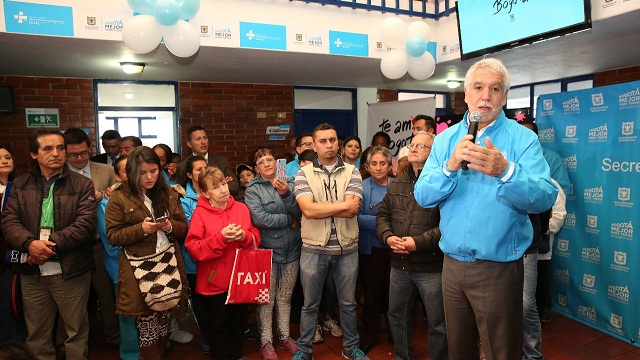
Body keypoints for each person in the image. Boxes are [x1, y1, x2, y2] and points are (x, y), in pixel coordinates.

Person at [414, 58, 557, 360]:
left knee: (500, 352)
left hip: (498, 269)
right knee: (459, 350)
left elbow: (544, 196)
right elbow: (423, 196)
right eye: (478, 87)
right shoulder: (445, 140)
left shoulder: (524, 139)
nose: (486, 96)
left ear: (505, 96)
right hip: (451, 266)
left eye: (495, 89)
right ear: (465, 93)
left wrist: (506, 172)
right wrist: (450, 167)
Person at [1, 129, 96, 360]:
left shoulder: (82, 184)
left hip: (70, 270)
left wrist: (48, 245)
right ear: (34, 154)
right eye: (48, 149)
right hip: (32, 272)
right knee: (37, 335)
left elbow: (85, 225)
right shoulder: (20, 184)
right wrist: (30, 244)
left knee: (75, 333)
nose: (56, 153)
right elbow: (9, 221)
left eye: (60, 148)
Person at [105, 146, 189, 359]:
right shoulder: (119, 196)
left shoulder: (168, 192)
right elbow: (113, 236)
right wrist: (140, 229)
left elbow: (183, 226)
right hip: (139, 269)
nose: (150, 177)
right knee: (146, 328)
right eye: (143, 173)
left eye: (153, 171)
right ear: (132, 172)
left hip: (168, 264)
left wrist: (168, 225)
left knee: (163, 324)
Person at [293, 123, 366, 360]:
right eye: (323, 141)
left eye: (333, 140)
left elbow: (352, 209)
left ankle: (350, 348)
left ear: (339, 142)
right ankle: (304, 351)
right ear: (314, 145)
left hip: (347, 249)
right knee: (309, 305)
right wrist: (342, 205)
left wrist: (321, 207)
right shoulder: (302, 174)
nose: (329, 145)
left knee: (348, 303)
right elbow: (307, 210)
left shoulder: (353, 172)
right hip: (313, 249)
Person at [376, 133, 448, 360]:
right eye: (412, 145)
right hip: (399, 266)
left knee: (438, 322)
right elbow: (382, 216)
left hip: (431, 267)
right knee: (396, 316)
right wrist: (388, 237)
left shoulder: (442, 182)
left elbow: (448, 225)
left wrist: (417, 243)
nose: (414, 149)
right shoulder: (397, 182)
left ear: (433, 151)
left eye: (421, 146)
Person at [184, 166, 261, 360]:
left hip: (240, 279)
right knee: (217, 325)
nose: (223, 190)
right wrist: (220, 239)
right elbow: (193, 247)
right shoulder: (200, 214)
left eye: (224, 184)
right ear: (205, 193)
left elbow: (255, 238)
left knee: (238, 323)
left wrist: (244, 236)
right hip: (214, 281)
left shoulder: (241, 208)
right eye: (216, 187)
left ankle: (237, 356)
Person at [63, 127, 120, 347]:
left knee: (107, 296)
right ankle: (73, 342)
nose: (79, 159)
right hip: (71, 245)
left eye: (84, 153)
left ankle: (113, 336)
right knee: (72, 299)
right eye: (73, 155)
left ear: (90, 149)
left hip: (100, 244)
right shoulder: (60, 173)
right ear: (65, 154)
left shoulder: (105, 171)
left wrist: (104, 195)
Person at [245, 148, 302, 360]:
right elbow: (259, 219)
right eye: (261, 161)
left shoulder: (290, 182)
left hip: (292, 250)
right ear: (256, 168)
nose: (267, 163)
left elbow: (299, 210)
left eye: (269, 159)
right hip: (266, 251)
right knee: (265, 299)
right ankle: (266, 342)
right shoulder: (253, 190)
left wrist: (286, 193)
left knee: (285, 298)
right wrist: (288, 220)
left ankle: (284, 337)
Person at [96, 155, 140, 360]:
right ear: (117, 176)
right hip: (122, 267)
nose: (134, 175)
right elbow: (113, 242)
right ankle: (130, 355)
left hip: (150, 265)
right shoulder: (107, 202)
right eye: (127, 171)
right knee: (129, 317)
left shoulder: (148, 196)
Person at [356, 146, 392, 354]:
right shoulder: (361, 186)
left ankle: (395, 335)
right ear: (367, 167)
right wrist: (384, 222)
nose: (378, 168)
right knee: (371, 294)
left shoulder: (398, 186)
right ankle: (369, 334)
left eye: (382, 163)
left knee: (393, 295)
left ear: (390, 165)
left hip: (394, 249)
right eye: (374, 164)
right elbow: (356, 217)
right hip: (371, 249)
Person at [176, 155, 211, 353]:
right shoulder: (182, 197)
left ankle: (217, 333)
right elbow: (190, 228)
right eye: (198, 169)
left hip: (216, 256)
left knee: (217, 299)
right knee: (200, 299)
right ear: (189, 174)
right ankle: (206, 334)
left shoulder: (215, 191)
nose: (204, 172)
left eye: (206, 167)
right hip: (193, 260)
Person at [0, 147, 27, 345]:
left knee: (19, 302)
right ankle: (8, 346)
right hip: (2, 256)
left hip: (21, 252)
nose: (4, 161)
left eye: (8, 157)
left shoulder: (19, 186)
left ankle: (22, 343)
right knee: (5, 305)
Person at [181, 125, 239, 196]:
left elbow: (234, 186)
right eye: (198, 139)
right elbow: (181, 191)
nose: (203, 142)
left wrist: (217, 189)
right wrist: (222, 184)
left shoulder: (221, 161)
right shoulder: (182, 166)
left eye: (205, 138)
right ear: (189, 144)